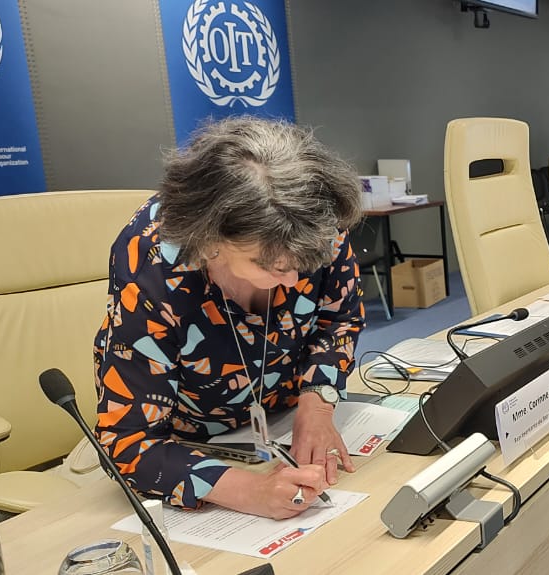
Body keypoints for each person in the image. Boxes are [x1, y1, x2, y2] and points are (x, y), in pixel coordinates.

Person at [94, 117, 365, 520]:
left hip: (280, 422)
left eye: (304, 264)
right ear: (210, 240)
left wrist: (318, 404)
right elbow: (128, 442)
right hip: (188, 444)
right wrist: (250, 491)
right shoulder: (153, 269)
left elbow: (339, 318)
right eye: (272, 266)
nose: (293, 281)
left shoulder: (315, 222)